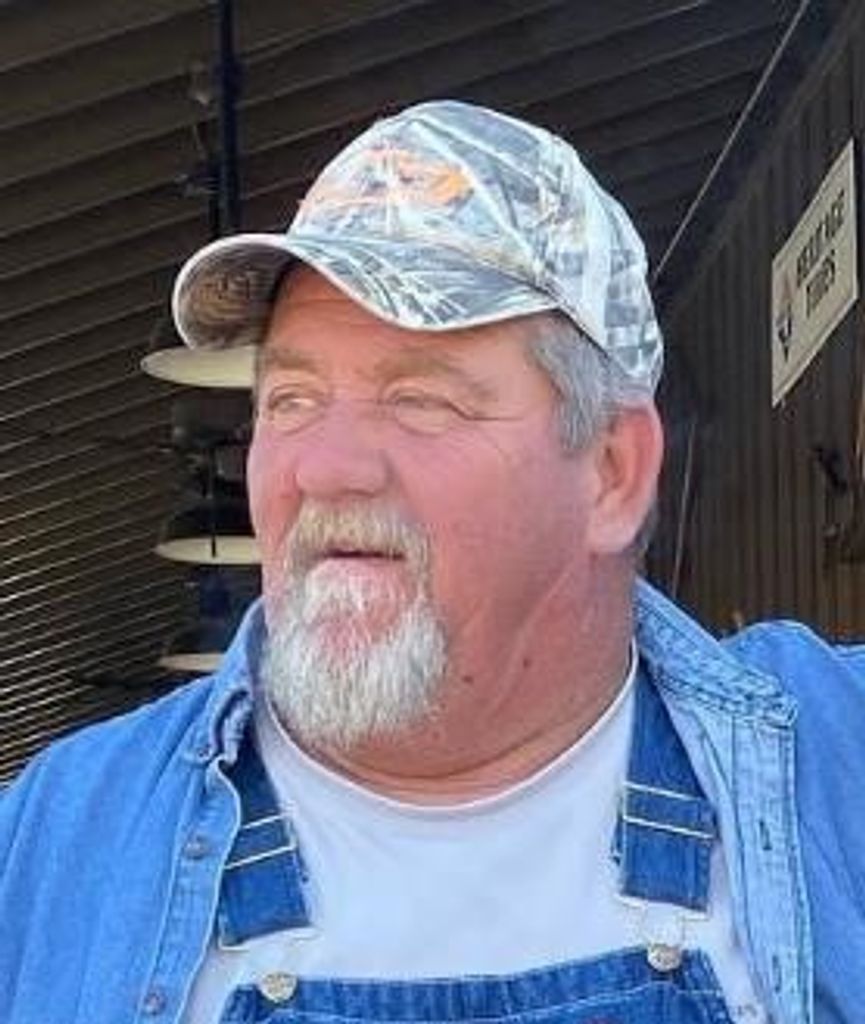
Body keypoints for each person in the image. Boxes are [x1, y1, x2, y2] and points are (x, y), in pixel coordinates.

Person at [1, 100, 863, 1024]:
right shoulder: (55, 840)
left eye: (419, 401)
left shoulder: (835, 762)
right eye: (291, 399)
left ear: (611, 472)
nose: (322, 468)